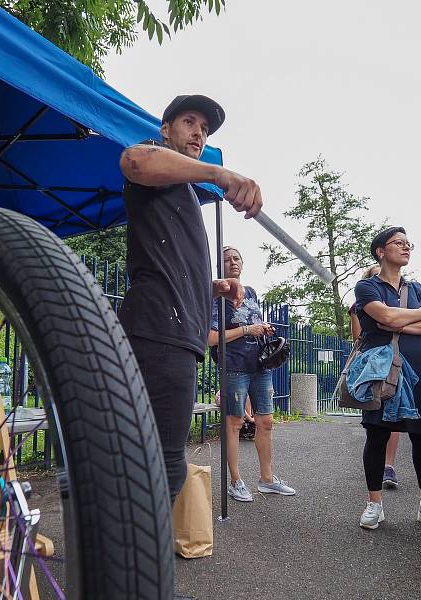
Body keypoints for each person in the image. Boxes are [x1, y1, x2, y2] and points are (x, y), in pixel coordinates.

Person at [118, 94, 263, 505]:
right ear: (166, 130)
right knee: (163, 466)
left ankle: (128, 556)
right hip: (158, 330)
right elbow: (133, 159)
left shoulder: (181, 189)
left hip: (177, 334)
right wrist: (219, 173)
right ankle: (135, 564)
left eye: (204, 128)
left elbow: (170, 261)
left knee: (154, 460)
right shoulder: (152, 163)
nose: (199, 132)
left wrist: (214, 285)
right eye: (189, 122)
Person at [354, 227, 421, 534]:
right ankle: (374, 505)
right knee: (377, 435)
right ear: (381, 251)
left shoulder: (420, 288)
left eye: (408, 243)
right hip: (381, 371)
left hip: (420, 370)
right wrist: (412, 316)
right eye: (399, 243)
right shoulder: (366, 286)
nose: (406, 247)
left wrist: (394, 321)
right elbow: (387, 317)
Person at [208, 246, 295, 502]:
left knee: (265, 422)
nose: (233, 262)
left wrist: (263, 329)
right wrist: (247, 330)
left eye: (236, 258)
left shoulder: (253, 293)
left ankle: (267, 480)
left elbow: (253, 325)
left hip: (260, 366)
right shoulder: (215, 299)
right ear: (219, 267)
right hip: (234, 366)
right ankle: (236, 481)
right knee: (234, 423)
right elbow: (212, 338)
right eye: (227, 259)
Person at [350, 265, 402, 489]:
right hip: (374, 362)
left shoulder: (401, 298)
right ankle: (378, 469)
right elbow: (358, 337)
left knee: (395, 418)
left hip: (398, 359)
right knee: (376, 421)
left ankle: (388, 466)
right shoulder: (360, 303)